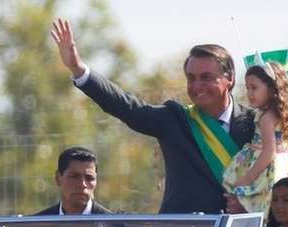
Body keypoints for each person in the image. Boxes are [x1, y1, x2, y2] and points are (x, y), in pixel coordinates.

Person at [51, 18, 255, 214]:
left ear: (229, 78)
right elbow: (127, 107)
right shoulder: (175, 119)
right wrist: (78, 69)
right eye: (191, 78)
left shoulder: (255, 123)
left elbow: (275, 180)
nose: (197, 85)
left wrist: (250, 204)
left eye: (206, 78)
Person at [221, 60, 288, 214]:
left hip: (267, 170)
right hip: (287, 165)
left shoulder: (266, 118)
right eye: (247, 88)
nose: (249, 93)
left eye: (254, 88)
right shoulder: (281, 114)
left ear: (271, 89)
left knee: (250, 204)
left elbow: (269, 152)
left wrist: (247, 179)